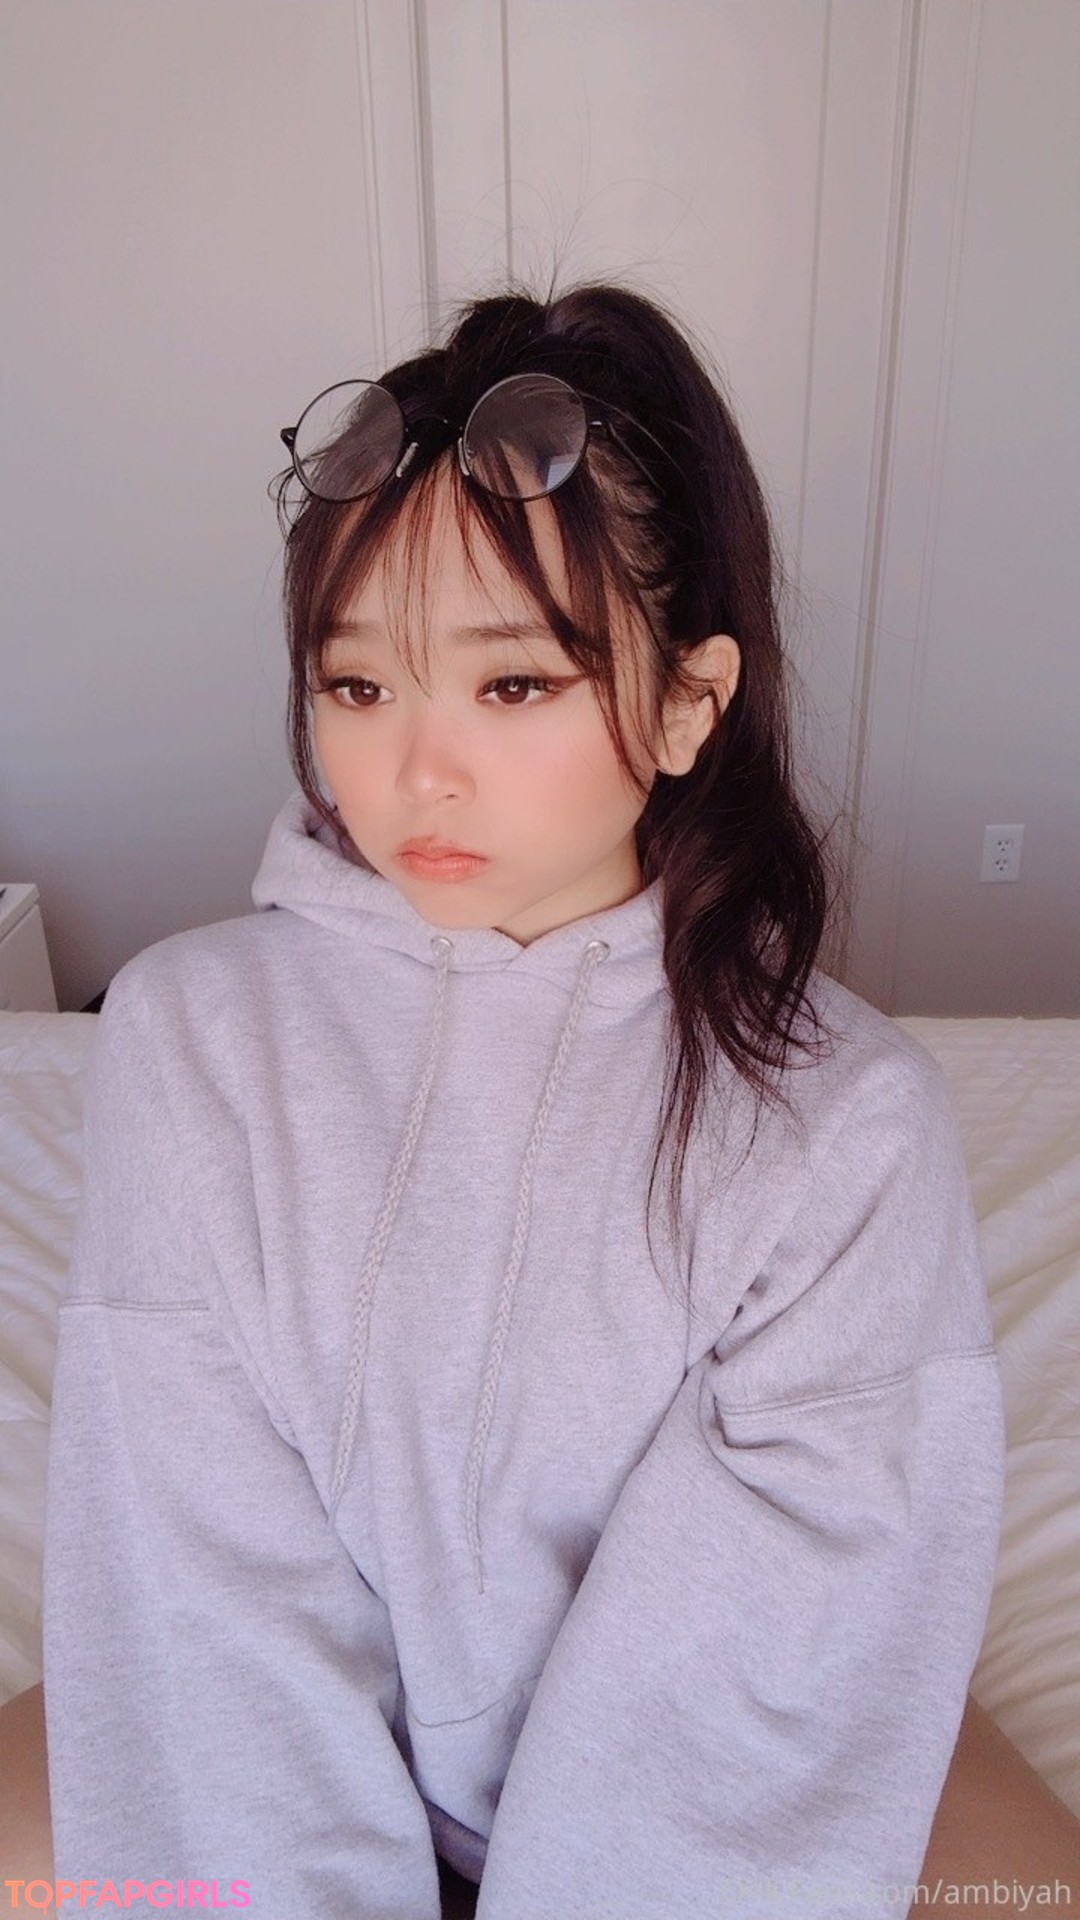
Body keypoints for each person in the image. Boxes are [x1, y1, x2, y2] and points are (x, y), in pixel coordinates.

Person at [17, 277, 1078, 1918]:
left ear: (688, 702)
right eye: (357, 687)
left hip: (721, 1745)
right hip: (298, 1732)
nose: (415, 772)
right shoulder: (188, 1036)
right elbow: (194, 1567)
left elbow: (785, 1605)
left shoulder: (848, 1117)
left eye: (512, 687)